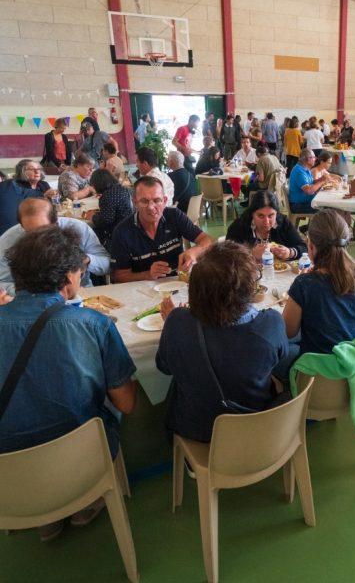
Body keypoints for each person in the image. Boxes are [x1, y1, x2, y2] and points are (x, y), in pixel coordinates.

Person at [0, 225, 137, 541]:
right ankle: (82, 499)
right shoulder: (93, 324)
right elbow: (127, 404)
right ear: (67, 279)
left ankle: (44, 512)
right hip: (79, 463)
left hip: (8, 478)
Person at [156, 241, 288, 442]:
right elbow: (279, 359)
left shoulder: (178, 321)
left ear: (196, 289)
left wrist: (173, 323)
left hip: (198, 429)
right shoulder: (271, 323)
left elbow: (164, 366)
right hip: (258, 426)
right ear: (249, 288)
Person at [280, 210, 355, 373]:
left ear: (310, 245)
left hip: (316, 372)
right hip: (352, 367)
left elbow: (288, 331)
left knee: (274, 351)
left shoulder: (303, 284)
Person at [110, 176, 212, 283]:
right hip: (141, 289)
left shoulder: (174, 216)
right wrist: (148, 274)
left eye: (157, 200)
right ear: (135, 202)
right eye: (144, 201)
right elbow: (117, 277)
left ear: (164, 201)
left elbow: (207, 240)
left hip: (177, 283)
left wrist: (193, 252)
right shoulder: (122, 232)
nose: (150, 207)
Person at [0, 197, 110, 295]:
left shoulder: (80, 228)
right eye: (29, 232)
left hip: (82, 293)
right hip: (33, 299)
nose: (37, 238)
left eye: (43, 231)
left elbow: (107, 266)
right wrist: (28, 293)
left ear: (55, 222)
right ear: (22, 226)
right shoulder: (8, 240)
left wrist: (87, 260)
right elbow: (3, 282)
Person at [226, 190, 307, 262]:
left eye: (271, 216)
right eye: (260, 216)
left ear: (276, 213)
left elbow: (303, 247)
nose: (266, 222)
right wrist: (251, 254)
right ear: (252, 214)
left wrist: (290, 252)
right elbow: (225, 255)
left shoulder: (283, 223)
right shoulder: (239, 226)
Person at [0, 160, 56, 235]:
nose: (37, 171)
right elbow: (23, 204)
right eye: (32, 169)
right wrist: (43, 196)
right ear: (22, 172)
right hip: (25, 225)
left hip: (42, 221)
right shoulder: (15, 186)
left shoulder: (43, 185)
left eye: (39, 169)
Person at [88, 170, 133, 248]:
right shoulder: (121, 188)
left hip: (117, 234)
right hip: (129, 226)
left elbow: (105, 220)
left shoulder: (108, 196)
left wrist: (93, 217)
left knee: (90, 231)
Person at [288, 149, 328, 214]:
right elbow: (308, 190)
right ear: (309, 159)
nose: (315, 159)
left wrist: (321, 179)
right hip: (298, 205)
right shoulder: (299, 171)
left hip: (306, 202)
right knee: (325, 210)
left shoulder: (305, 168)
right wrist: (322, 182)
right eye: (314, 157)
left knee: (327, 204)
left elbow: (311, 183)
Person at [167, 151, 195, 215]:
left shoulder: (170, 177)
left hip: (179, 213)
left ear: (171, 162)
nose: (166, 161)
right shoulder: (190, 174)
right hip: (192, 211)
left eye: (167, 159)